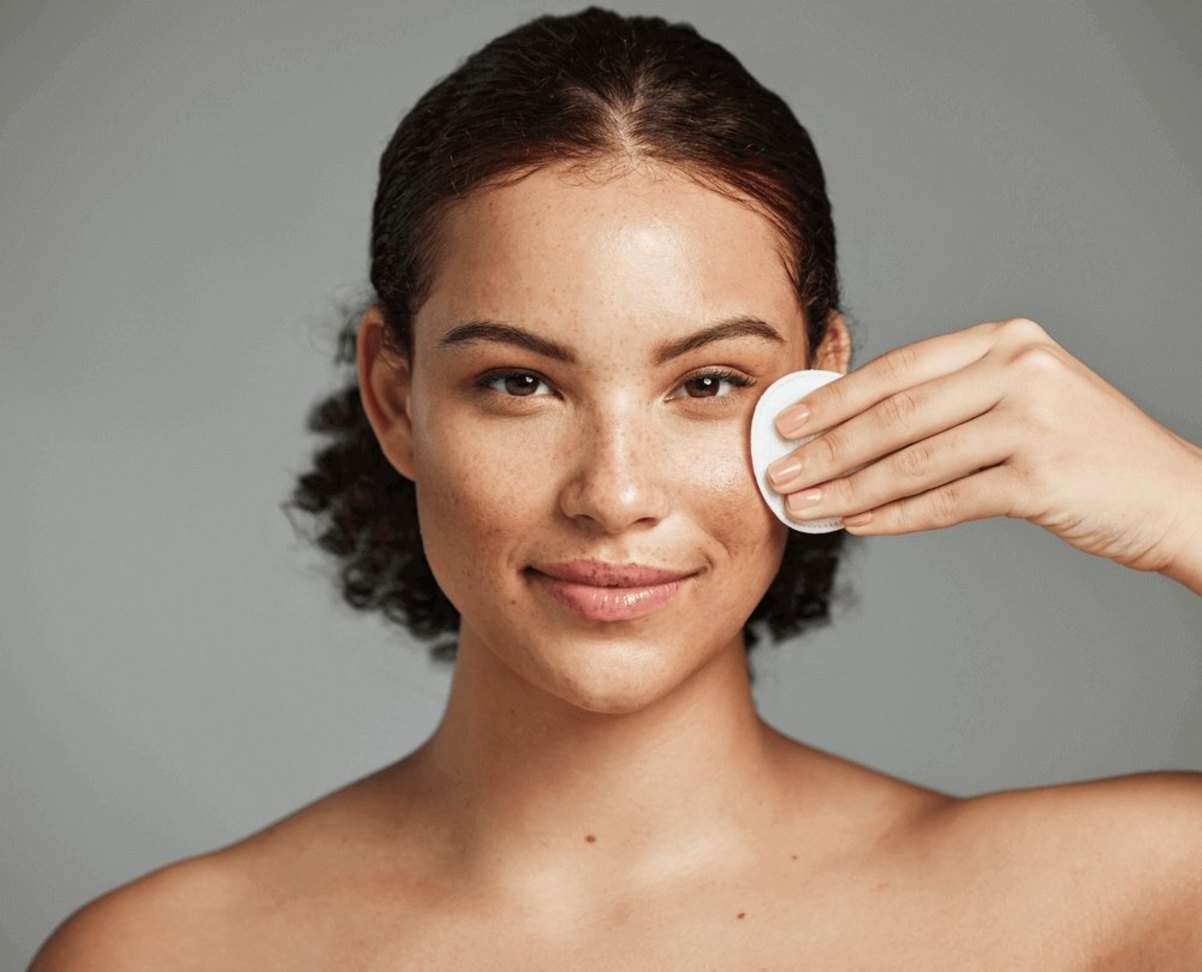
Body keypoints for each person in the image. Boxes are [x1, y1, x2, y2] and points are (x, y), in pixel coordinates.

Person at [30, 7, 1202, 969]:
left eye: (704, 381)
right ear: (393, 397)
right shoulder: (160, 956)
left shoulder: (1113, 909)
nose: (613, 493)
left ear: (820, 384)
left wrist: (1182, 507)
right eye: (519, 383)